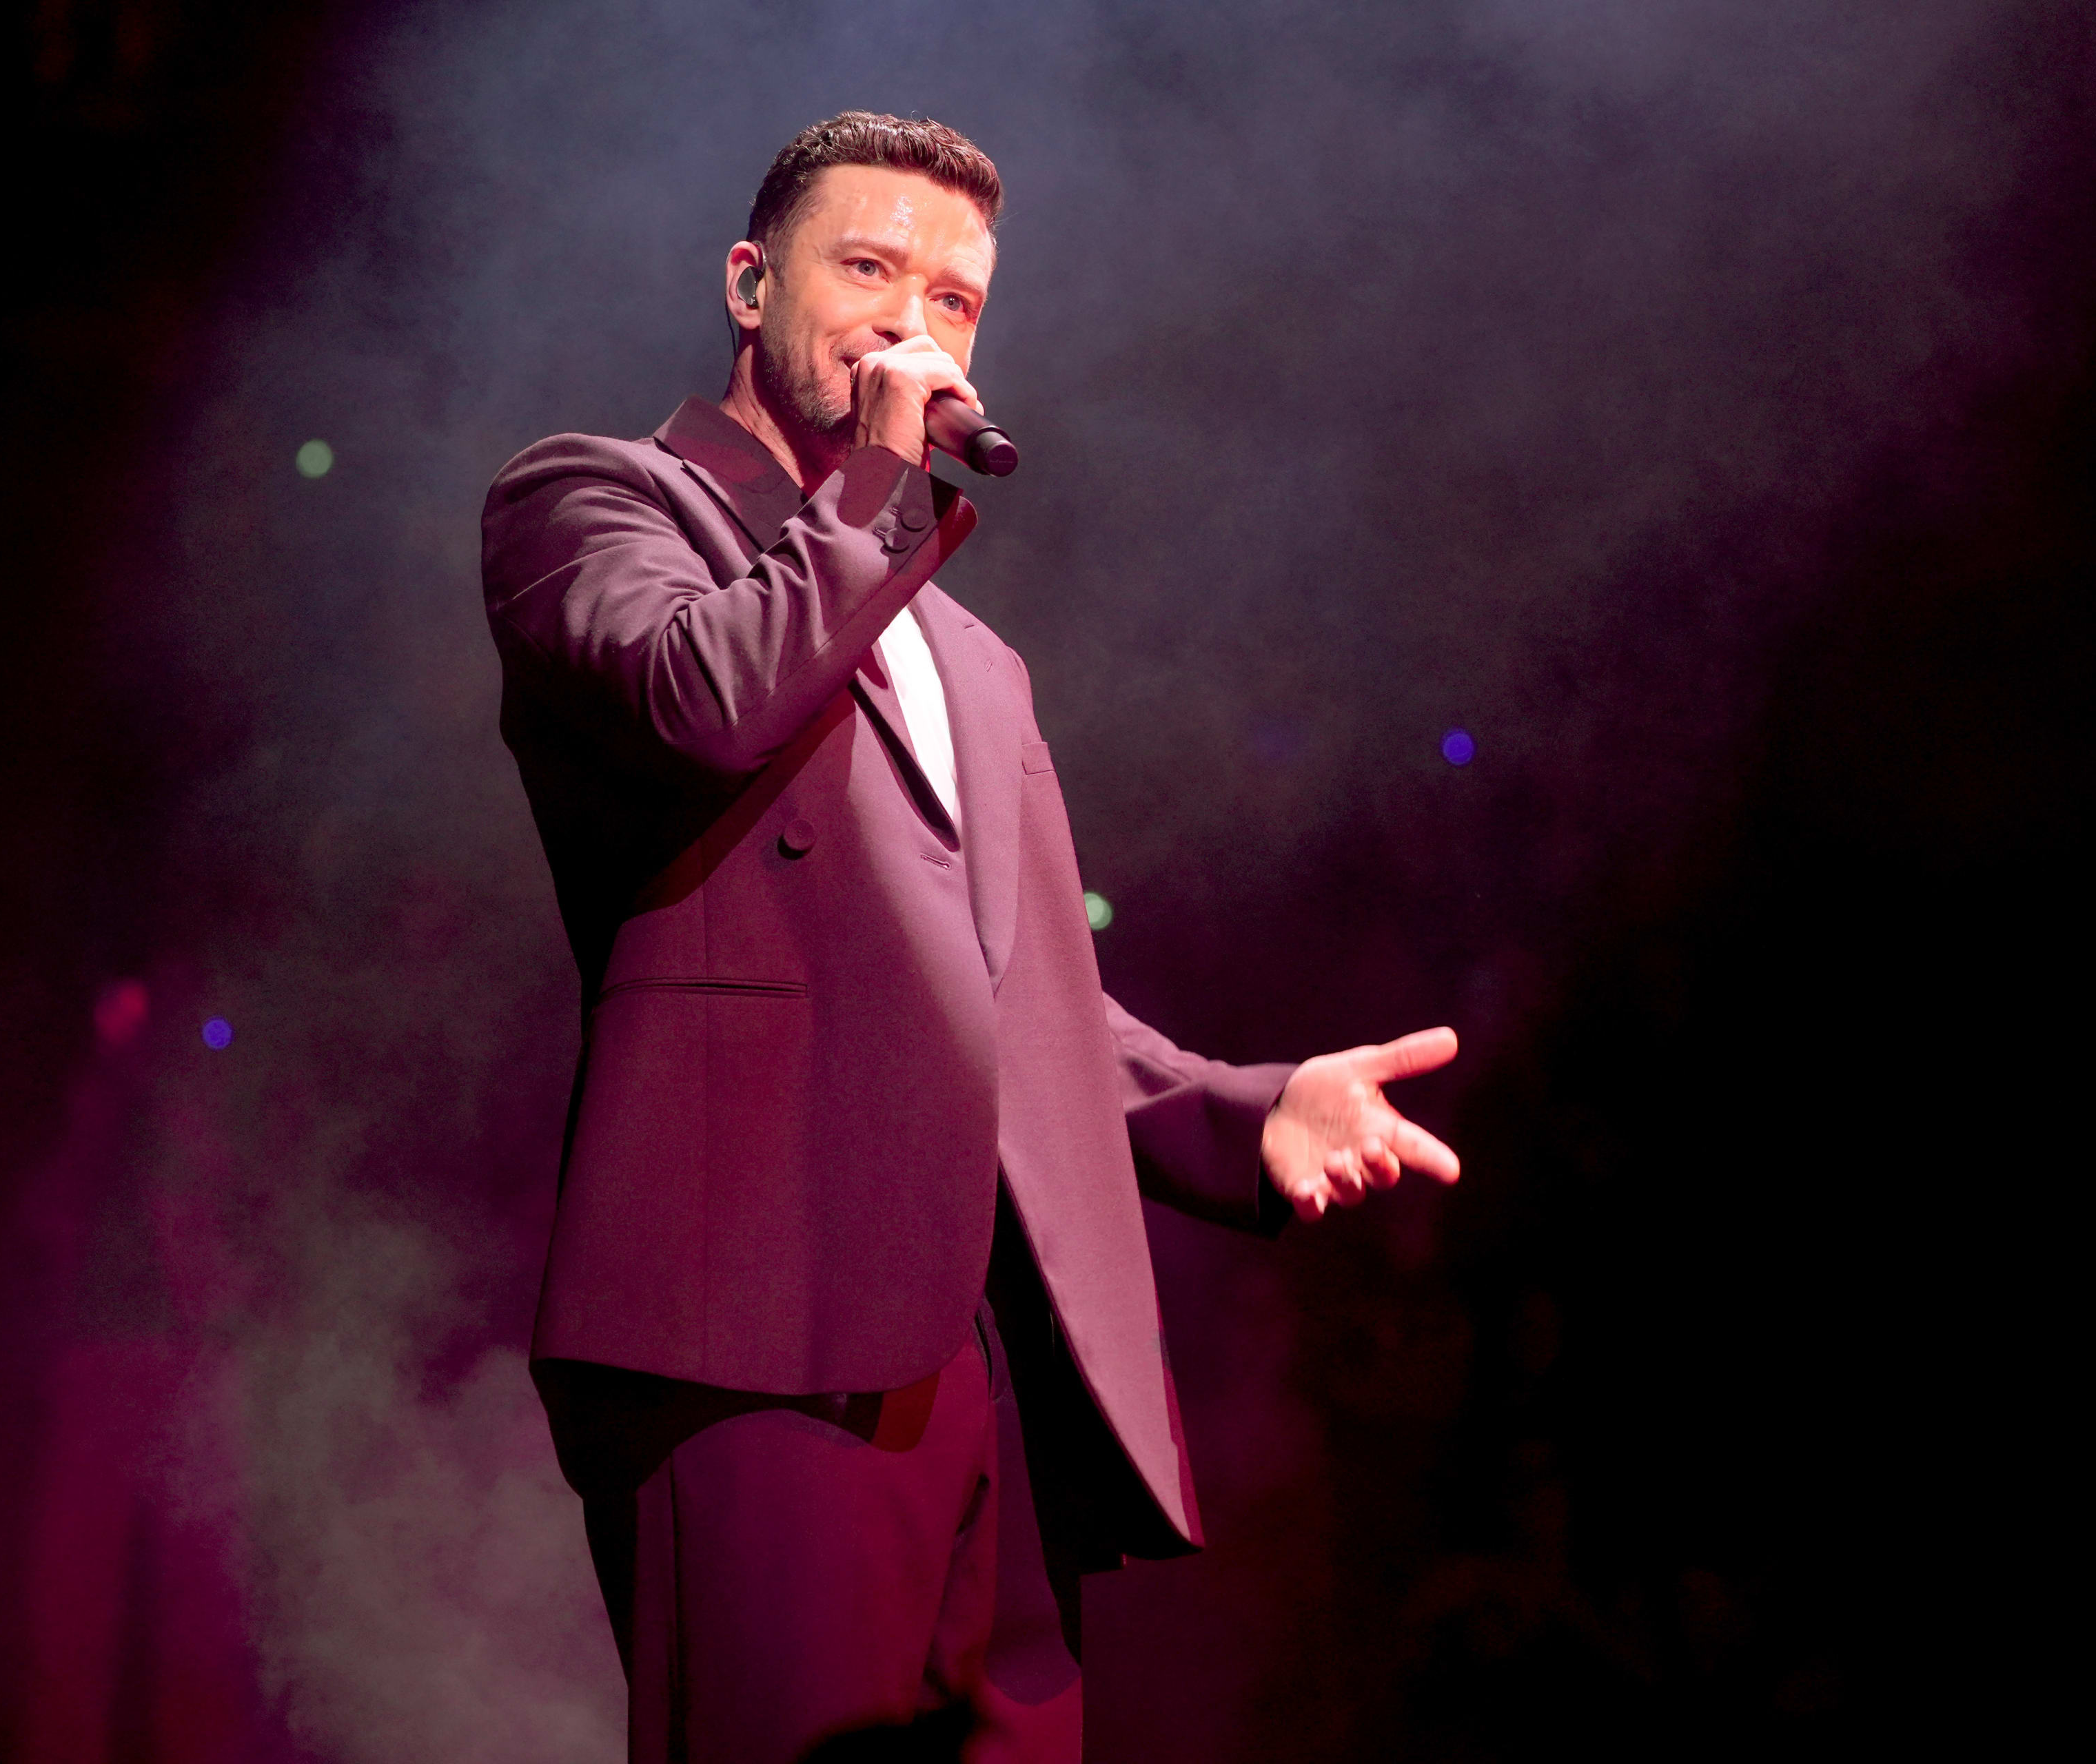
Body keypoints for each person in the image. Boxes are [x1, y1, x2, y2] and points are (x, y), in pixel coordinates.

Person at [481, 112, 1461, 1764]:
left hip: (986, 1339)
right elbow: (698, 697)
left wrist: (1243, 1104)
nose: (911, 325)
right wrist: (873, 476)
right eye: (867, 270)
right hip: (758, 1322)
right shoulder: (593, 502)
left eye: (955, 299)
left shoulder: (968, 653)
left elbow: (1013, 986)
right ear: (748, 280)